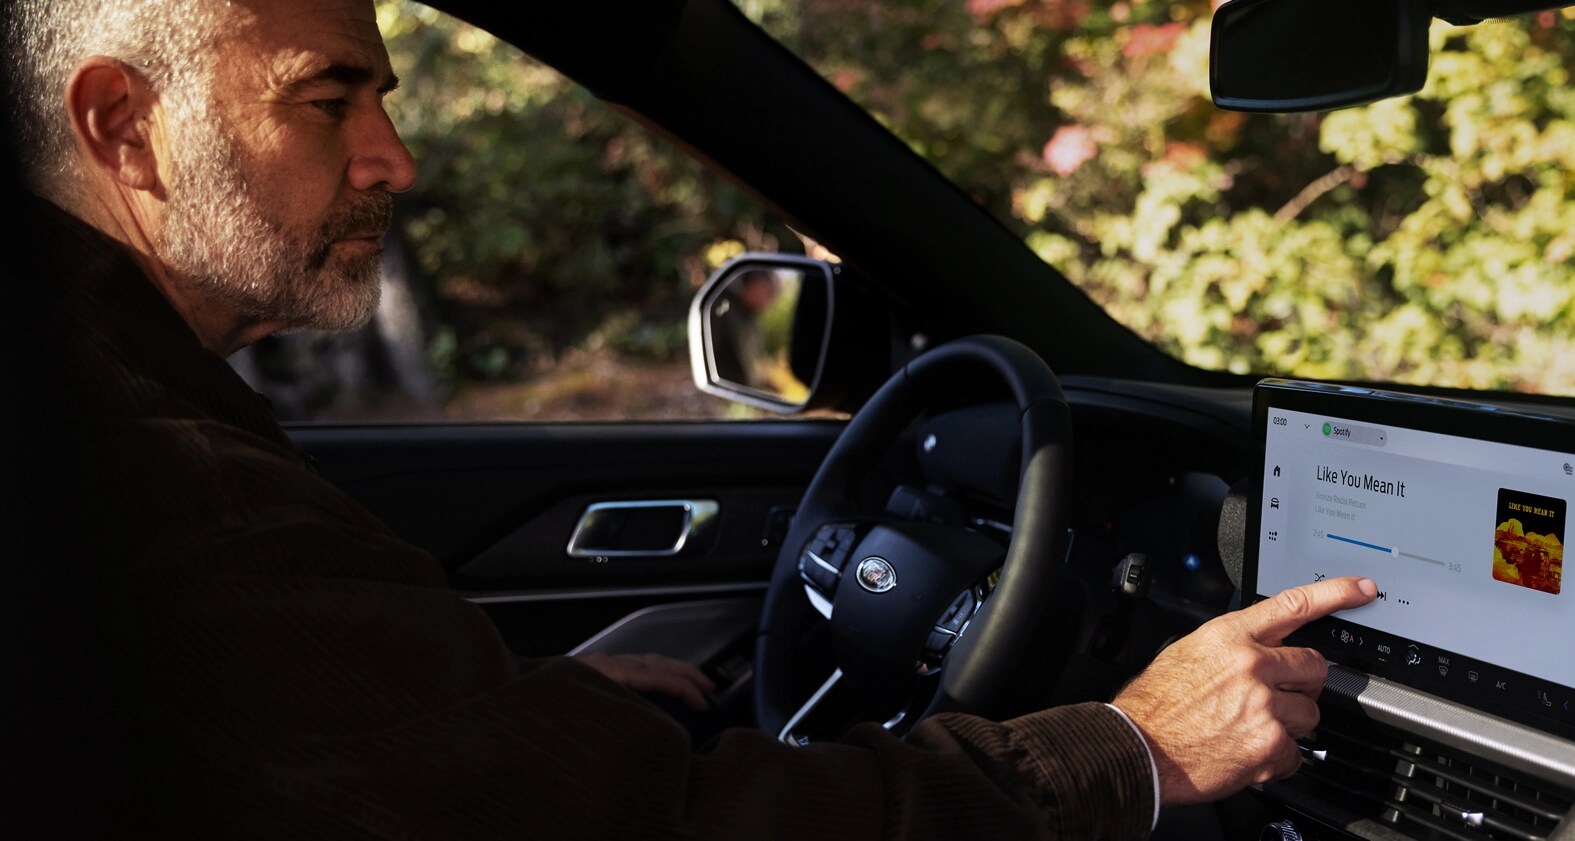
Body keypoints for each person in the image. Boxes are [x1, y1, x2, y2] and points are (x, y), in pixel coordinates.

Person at [2, 0, 1378, 837]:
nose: (394, 157)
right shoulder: (157, 483)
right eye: (328, 96)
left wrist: (507, 720)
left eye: (386, 97)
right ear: (125, 125)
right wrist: (1128, 750)